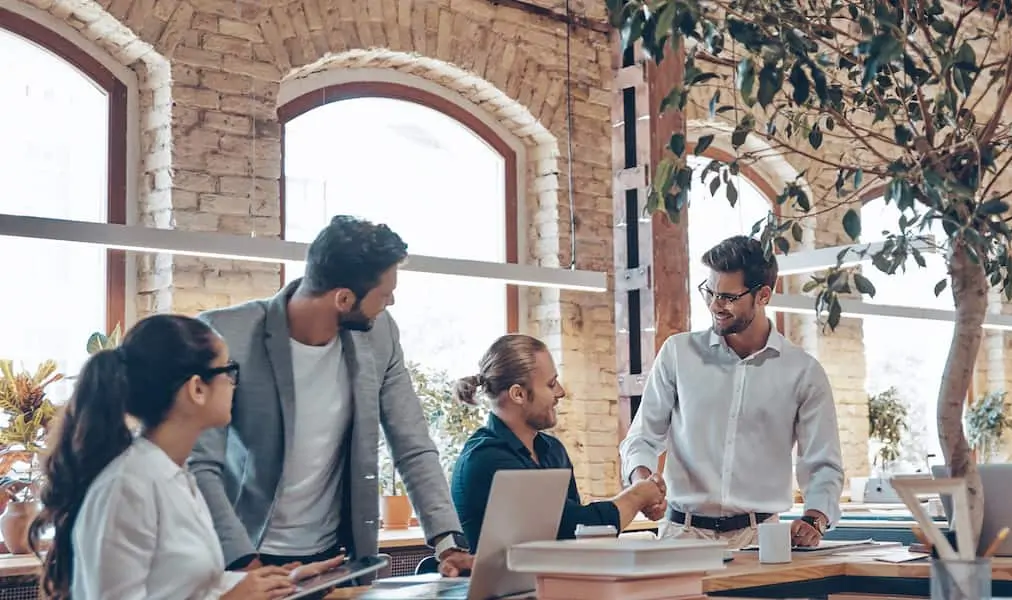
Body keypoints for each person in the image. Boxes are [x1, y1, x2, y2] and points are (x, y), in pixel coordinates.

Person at [188, 215, 472, 578]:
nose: (392, 301)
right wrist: (243, 563)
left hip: (332, 560)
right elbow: (200, 463)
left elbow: (412, 443)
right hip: (244, 556)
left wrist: (448, 542)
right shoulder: (228, 334)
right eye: (384, 293)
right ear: (343, 298)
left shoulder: (380, 335)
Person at [30, 314, 342, 599]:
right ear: (197, 389)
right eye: (228, 371)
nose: (235, 383)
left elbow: (186, 588)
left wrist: (278, 582)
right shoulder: (128, 485)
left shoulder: (176, 475)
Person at [618, 235, 845, 548]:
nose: (714, 305)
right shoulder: (678, 354)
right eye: (710, 292)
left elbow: (823, 464)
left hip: (760, 538)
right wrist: (642, 483)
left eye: (727, 297)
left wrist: (815, 517)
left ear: (763, 295)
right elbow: (641, 438)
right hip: (681, 535)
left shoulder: (803, 372)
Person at [449, 334, 666, 551]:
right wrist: (638, 495)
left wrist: (642, 493)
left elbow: (576, 541)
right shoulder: (486, 459)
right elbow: (570, 529)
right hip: (502, 585)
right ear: (518, 394)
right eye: (551, 384)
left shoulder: (553, 450)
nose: (560, 392)